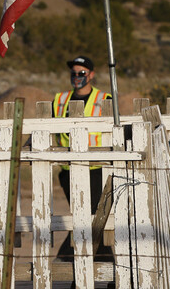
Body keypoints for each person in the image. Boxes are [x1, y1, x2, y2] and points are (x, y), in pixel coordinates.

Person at [54, 55, 112, 262]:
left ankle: (68, 260)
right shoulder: (59, 100)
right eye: (74, 73)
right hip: (69, 171)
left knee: (93, 218)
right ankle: (101, 264)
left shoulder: (104, 100)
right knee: (84, 218)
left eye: (82, 73)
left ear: (91, 75)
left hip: (97, 170)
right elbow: (47, 127)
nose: (77, 77)